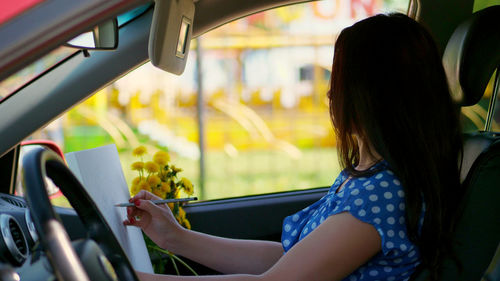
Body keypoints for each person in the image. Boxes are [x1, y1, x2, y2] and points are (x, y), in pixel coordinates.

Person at [124, 13, 464, 281]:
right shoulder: (370, 181)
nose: (331, 94)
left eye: (340, 81)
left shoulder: (382, 198)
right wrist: (176, 239)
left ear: (372, 94)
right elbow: (289, 260)